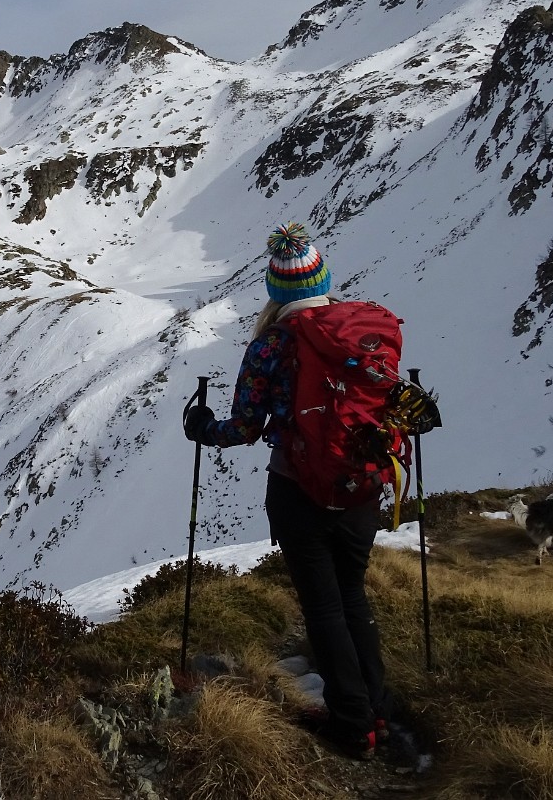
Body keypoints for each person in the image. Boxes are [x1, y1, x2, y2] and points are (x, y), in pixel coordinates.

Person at [183, 222, 386, 760]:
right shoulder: (363, 333)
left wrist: (203, 428)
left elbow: (245, 427)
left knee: (323, 609)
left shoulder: (270, 346)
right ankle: (374, 707)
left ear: (276, 291)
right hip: (362, 487)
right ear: (323, 278)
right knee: (353, 596)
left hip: (300, 490)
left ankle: (352, 724)